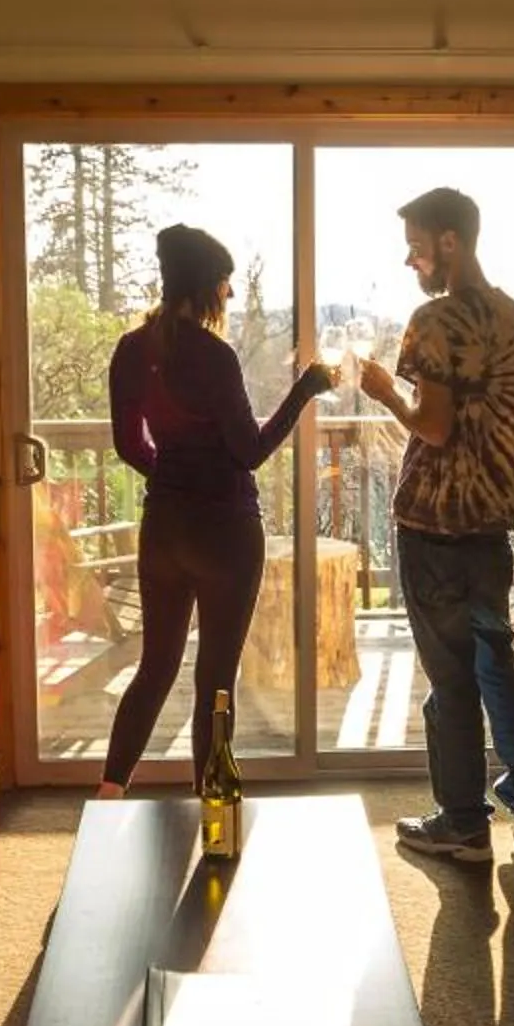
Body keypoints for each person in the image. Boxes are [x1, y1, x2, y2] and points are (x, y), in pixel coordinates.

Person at [97, 225, 334, 798]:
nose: (230, 295)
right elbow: (249, 452)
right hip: (225, 531)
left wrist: (172, 478)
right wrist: (304, 391)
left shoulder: (132, 349)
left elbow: (130, 445)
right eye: (226, 283)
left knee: (154, 669)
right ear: (207, 285)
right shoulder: (214, 355)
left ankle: (107, 796)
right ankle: (213, 810)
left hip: (164, 530)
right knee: (215, 683)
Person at [357, 187, 514, 862]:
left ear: (449, 242)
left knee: (451, 677)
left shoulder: (434, 322)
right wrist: (499, 477)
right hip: (491, 528)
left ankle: (464, 821)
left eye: (417, 246)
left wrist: (387, 395)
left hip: (434, 526)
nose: (411, 261)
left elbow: (433, 427)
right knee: (496, 661)